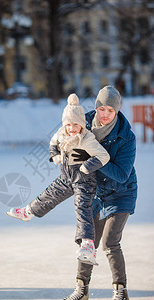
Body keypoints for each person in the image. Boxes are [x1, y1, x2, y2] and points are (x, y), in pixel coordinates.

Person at [6, 93, 110, 265]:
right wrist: (54, 155)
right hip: (67, 177)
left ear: (82, 124)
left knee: (82, 208)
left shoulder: (87, 139)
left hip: (84, 180)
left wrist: (86, 166)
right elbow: (53, 142)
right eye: (69, 125)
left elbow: (103, 156)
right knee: (50, 194)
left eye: (76, 124)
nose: (72, 129)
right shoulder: (61, 133)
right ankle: (28, 212)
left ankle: (87, 245)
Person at [63, 85, 137, 300]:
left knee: (110, 242)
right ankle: (81, 289)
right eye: (101, 108)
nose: (104, 114)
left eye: (110, 110)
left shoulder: (126, 137)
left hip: (121, 192)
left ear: (117, 111)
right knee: (88, 241)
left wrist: (92, 160)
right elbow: (65, 137)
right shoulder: (82, 123)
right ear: (96, 107)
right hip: (94, 192)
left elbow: (122, 174)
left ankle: (120, 291)